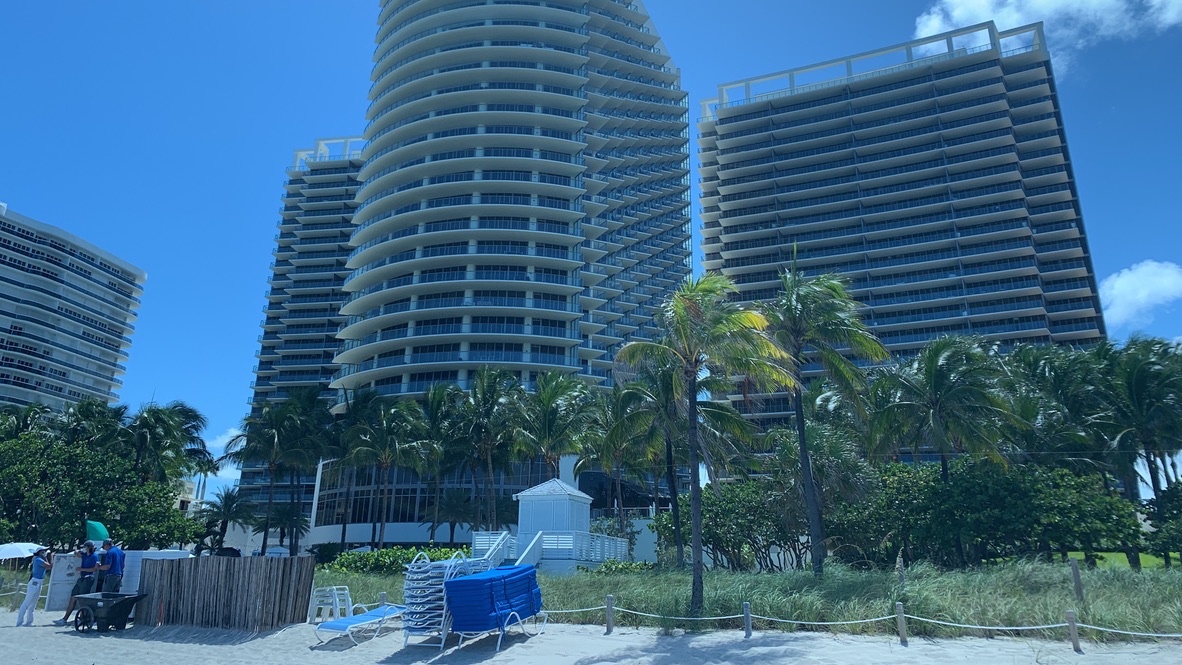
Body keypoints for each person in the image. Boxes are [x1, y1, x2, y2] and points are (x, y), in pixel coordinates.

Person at [55, 541, 98, 626]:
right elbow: (77, 553)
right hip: (82, 578)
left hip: (88, 578)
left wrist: (82, 569)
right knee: (73, 597)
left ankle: (82, 618)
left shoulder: (94, 556)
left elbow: (94, 569)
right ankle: (65, 618)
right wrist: (77, 552)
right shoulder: (85, 555)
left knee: (82, 599)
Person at [17, 546, 52, 626]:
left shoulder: (40, 559)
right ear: (40, 552)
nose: (45, 552)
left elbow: (47, 566)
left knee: (33, 603)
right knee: (27, 602)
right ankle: (20, 622)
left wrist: (45, 557)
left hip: (39, 582)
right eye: (43, 551)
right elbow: (49, 566)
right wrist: (52, 557)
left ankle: (29, 622)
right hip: (34, 582)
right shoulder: (38, 559)